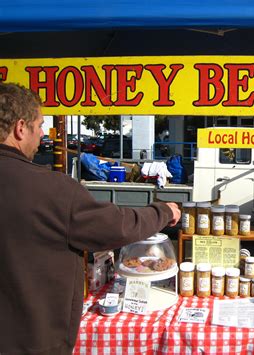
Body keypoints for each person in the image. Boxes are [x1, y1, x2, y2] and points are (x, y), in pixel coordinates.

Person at [0, 82, 181, 354]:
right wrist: (164, 211)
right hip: (31, 340)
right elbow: (116, 226)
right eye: (39, 127)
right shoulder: (53, 189)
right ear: (20, 128)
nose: (40, 137)